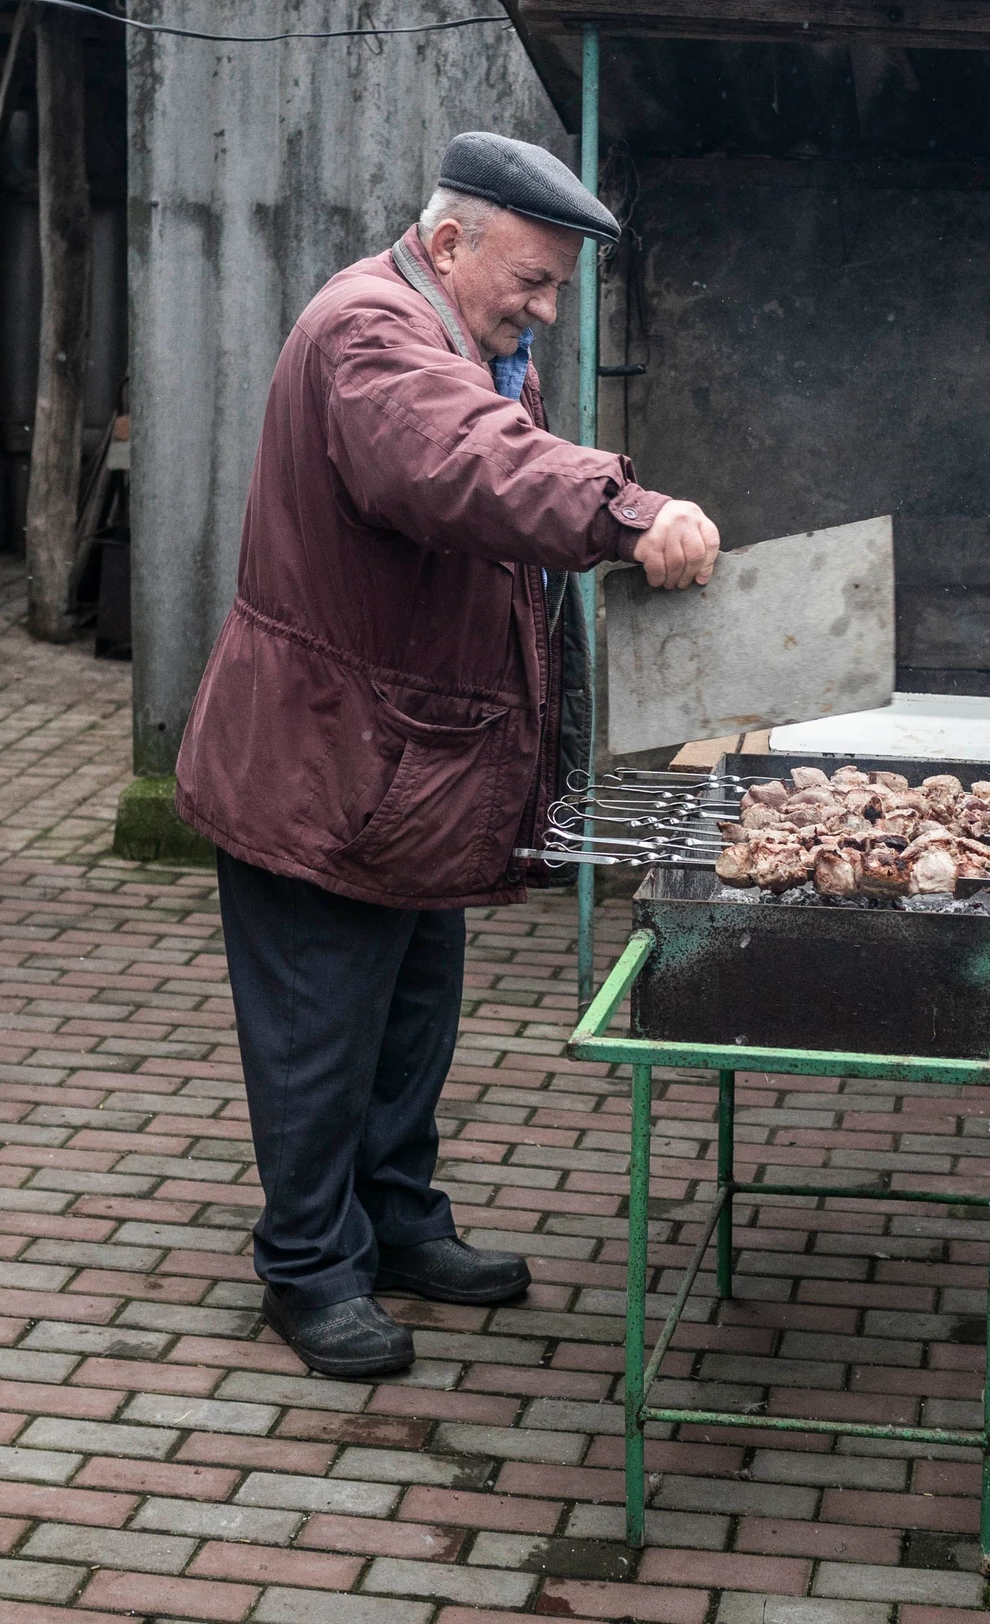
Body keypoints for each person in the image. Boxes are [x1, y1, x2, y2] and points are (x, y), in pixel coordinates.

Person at [172, 132, 722, 1378]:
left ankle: (401, 1222)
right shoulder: (370, 334)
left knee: (410, 1018)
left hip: (403, 771)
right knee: (322, 1026)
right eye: (530, 279)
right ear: (449, 238)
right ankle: (309, 1266)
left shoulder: (473, 342)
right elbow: (463, 465)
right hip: (323, 769)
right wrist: (624, 511)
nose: (542, 309)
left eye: (556, 290)